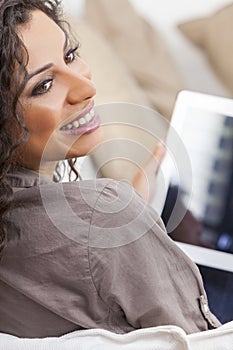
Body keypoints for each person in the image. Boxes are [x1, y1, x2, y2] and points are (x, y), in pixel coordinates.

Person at [0, 0, 221, 339]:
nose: (87, 88)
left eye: (70, 54)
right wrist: (116, 218)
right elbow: (205, 340)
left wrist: (128, 215)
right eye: (43, 86)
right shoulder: (103, 215)